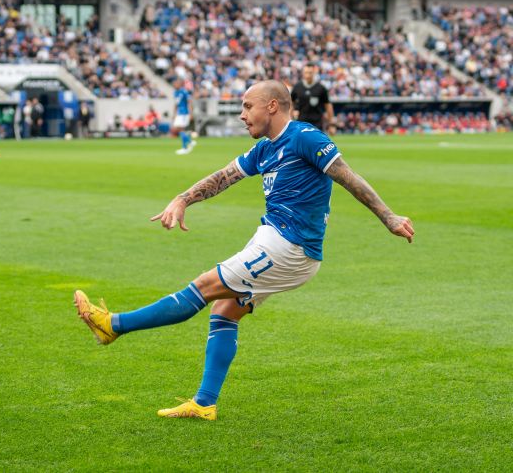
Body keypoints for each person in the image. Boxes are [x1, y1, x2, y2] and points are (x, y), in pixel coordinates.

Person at [73, 80, 414, 420]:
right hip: (275, 239)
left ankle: (114, 325)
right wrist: (183, 198)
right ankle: (204, 404)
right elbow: (224, 176)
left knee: (204, 287)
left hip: (290, 246)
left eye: (247, 106)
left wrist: (388, 217)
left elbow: (347, 176)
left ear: (273, 106)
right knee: (224, 310)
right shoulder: (265, 149)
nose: (241, 115)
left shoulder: (306, 137)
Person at [291, 63, 334, 132]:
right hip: (301, 124)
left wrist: (331, 124)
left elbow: (328, 106)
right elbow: (291, 104)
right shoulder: (297, 87)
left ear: (314, 72)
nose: (308, 75)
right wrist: (291, 120)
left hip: (317, 125)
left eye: (310, 73)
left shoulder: (321, 88)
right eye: (306, 73)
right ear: (303, 73)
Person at [172, 79, 195, 155]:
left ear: (179, 84)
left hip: (184, 113)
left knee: (180, 129)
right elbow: (176, 104)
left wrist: (191, 113)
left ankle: (185, 147)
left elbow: (189, 102)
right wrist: (174, 114)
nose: (174, 85)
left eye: (175, 83)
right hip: (179, 113)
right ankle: (190, 142)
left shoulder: (184, 91)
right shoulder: (175, 93)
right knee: (178, 129)